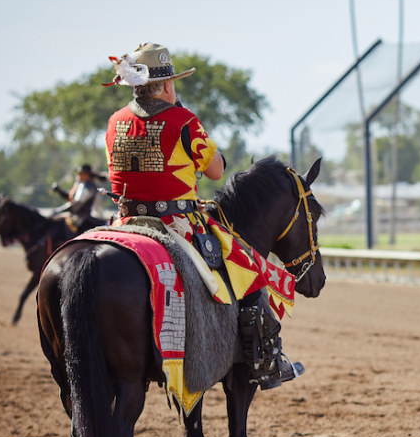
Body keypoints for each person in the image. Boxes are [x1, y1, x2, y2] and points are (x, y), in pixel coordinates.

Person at [102, 42, 301, 390]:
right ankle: (264, 361)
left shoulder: (115, 121)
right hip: (177, 224)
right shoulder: (183, 120)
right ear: (165, 86)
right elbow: (216, 172)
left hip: (125, 223)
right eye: (174, 82)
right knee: (251, 273)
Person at [52, 163, 104, 232]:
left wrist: (58, 211)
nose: (78, 175)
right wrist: (60, 191)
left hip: (80, 218)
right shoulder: (81, 184)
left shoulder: (88, 187)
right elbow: (70, 197)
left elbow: (77, 204)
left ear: (86, 175)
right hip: (75, 214)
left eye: (80, 173)